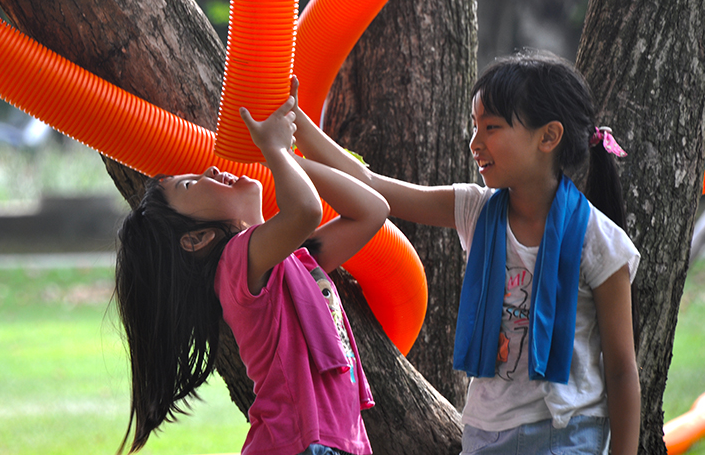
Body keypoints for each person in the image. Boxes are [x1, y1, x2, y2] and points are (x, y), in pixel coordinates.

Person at [290, 51, 641, 455]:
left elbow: (621, 369)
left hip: (568, 433)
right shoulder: (475, 209)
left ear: (548, 137)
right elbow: (371, 184)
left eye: (491, 127)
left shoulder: (599, 241)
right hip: (486, 433)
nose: (475, 143)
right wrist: (298, 129)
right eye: (475, 127)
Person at [114, 95, 387, 455]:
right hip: (299, 445)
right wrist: (274, 151)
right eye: (189, 185)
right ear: (196, 239)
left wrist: (288, 140)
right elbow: (306, 210)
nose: (208, 171)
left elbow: (372, 210)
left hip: (335, 442)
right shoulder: (234, 263)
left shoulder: (295, 260)